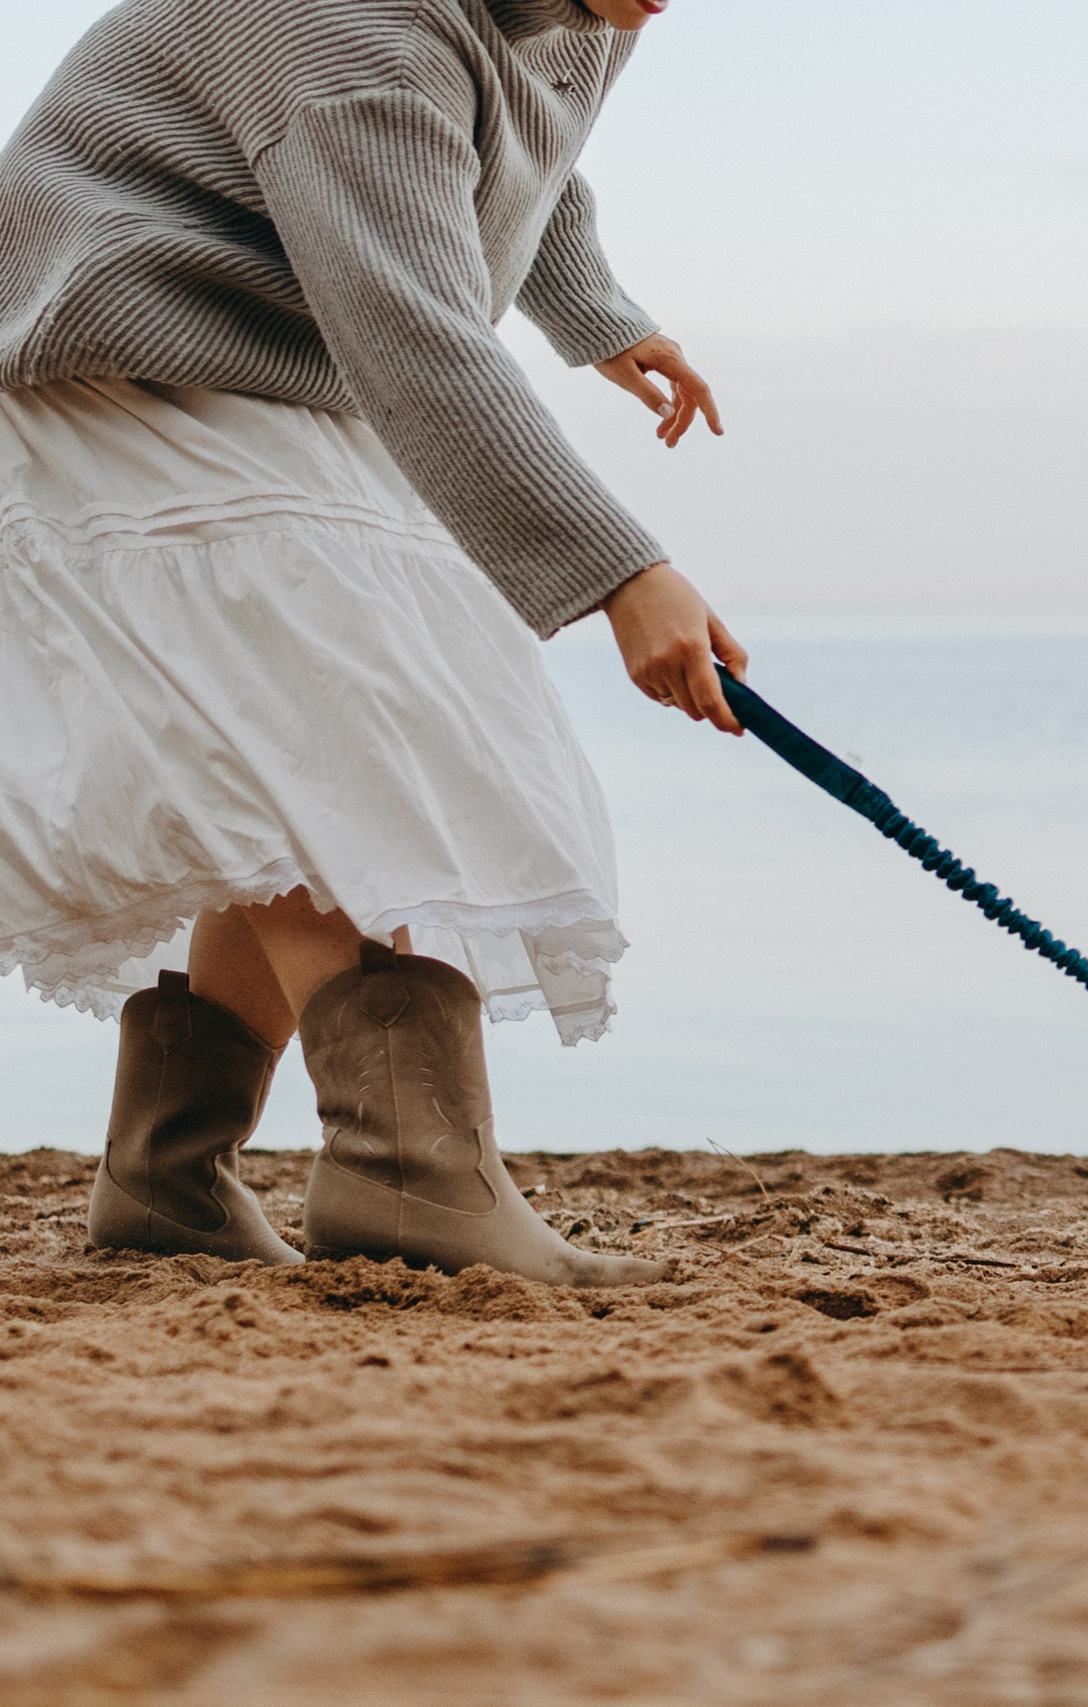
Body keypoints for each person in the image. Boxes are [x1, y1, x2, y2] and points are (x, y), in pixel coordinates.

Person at [0, 0, 741, 1285]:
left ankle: (168, 1174)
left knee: (319, 733)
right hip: (112, 345)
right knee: (327, 724)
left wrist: (599, 315)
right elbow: (411, 324)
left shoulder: (586, 8)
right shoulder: (343, 29)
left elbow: (526, 152)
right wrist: (626, 573)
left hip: (278, 351)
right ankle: (409, 1171)